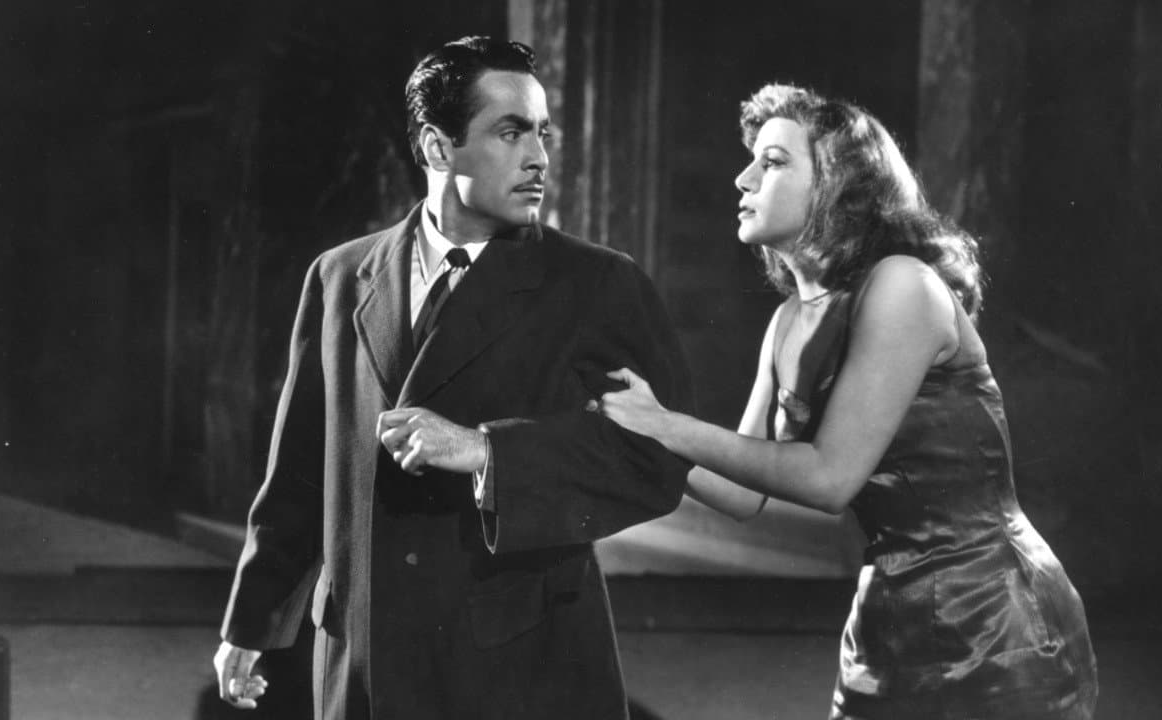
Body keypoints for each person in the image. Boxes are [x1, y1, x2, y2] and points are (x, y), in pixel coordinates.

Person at [213, 36, 692, 719]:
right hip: (366, 656)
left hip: (519, 663)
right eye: (511, 132)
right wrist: (251, 622)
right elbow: (298, 471)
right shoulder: (341, 276)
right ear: (438, 148)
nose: (539, 156)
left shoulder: (598, 284)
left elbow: (658, 459)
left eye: (543, 133)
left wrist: (488, 452)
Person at [595, 83, 1098, 718]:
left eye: (773, 162)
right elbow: (741, 493)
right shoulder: (787, 322)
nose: (743, 179)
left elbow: (830, 478)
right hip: (887, 619)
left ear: (838, 184)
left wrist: (667, 426)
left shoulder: (902, 286)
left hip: (999, 621)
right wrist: (629, 426)